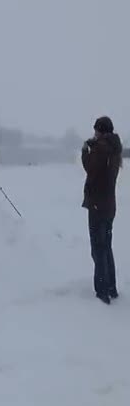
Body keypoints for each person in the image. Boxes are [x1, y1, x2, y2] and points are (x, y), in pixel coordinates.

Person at [82, 116, 123, 304]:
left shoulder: (102, 149)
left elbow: (91, 168)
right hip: (108, 205)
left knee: (98, 248)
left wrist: (86, 151)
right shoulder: (113, 148)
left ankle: (102, 291)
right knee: (106, 246)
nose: (94, 133)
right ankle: (111, 287)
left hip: (98, 206)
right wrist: (95, 146)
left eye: (96, 130)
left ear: (101, 130)